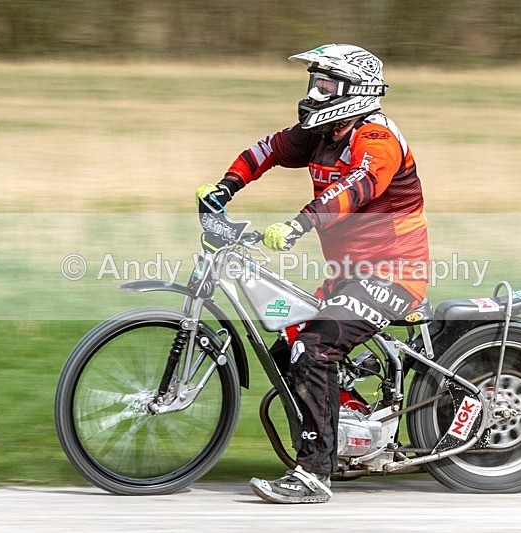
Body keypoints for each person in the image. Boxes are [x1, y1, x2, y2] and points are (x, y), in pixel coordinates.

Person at [196, 44, 429, 504]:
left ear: (356, 91)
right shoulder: (324, 132)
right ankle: (350, 435)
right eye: (314, 83)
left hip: (393, 275)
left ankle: (314, 475)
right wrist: (225, 188)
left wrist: (299, 223)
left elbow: (355, 188)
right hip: (347, 276)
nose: (314, 93)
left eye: (326, 85)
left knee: (313, 348)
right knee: (287, 347)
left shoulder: (376, 139)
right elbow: (268, 149)